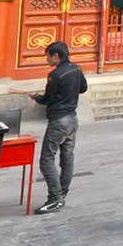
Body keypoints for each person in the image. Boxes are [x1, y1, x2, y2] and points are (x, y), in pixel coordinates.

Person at [30, 40, 88, 214]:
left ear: (56, 56)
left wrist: (36, 97)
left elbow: (48, 98)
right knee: (67, 157)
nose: (47, 60)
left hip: (58, 120)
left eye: (48, 56)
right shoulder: (77, 69)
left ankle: (55, 197)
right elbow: (83, 88)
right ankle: (62, 193)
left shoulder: (55, 75)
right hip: (72, 118)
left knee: (46, 159)